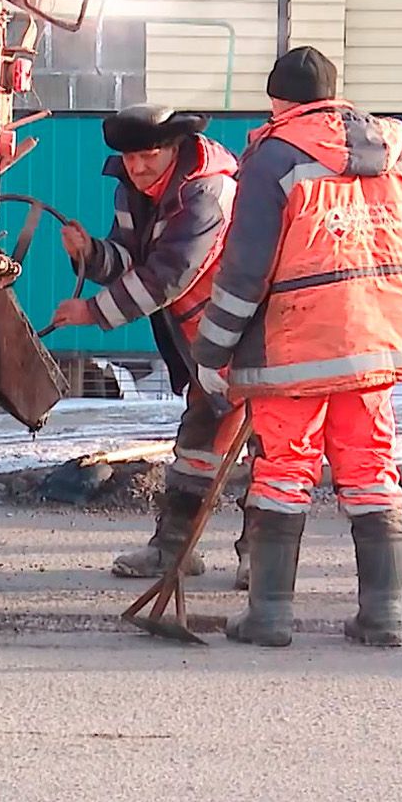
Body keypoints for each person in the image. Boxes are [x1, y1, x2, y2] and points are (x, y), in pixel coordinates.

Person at [190, 46, 402, 649]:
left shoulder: (274, 155)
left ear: (278, 99)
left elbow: (245, 268)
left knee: (284, 470)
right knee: (371, 470)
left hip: (296, 346)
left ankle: (270, 616)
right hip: (376, 340)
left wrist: (211, 353)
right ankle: (383, 616)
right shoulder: (395, 150)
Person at [45, 102, 248, 584]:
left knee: (268, 452)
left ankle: (260, 562)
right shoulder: (135, 189)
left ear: (175, 149)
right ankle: (174, 552)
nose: (137, 167)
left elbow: (166, 277)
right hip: (206, 345)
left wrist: (92, 312)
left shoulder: (208, 190)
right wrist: (91, 253)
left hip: (249, 338)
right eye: (130, 157)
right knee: (198, 446)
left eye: (148, 155)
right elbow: (132, 257)